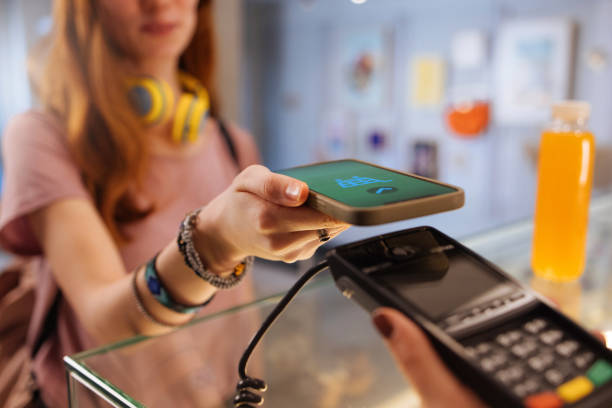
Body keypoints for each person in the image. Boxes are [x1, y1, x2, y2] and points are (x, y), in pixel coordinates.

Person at [0, 0, 348, 406]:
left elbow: (241, 312)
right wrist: (213, 243)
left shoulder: (232, 142)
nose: (161, 3)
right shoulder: (43, 136)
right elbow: (111, 324)